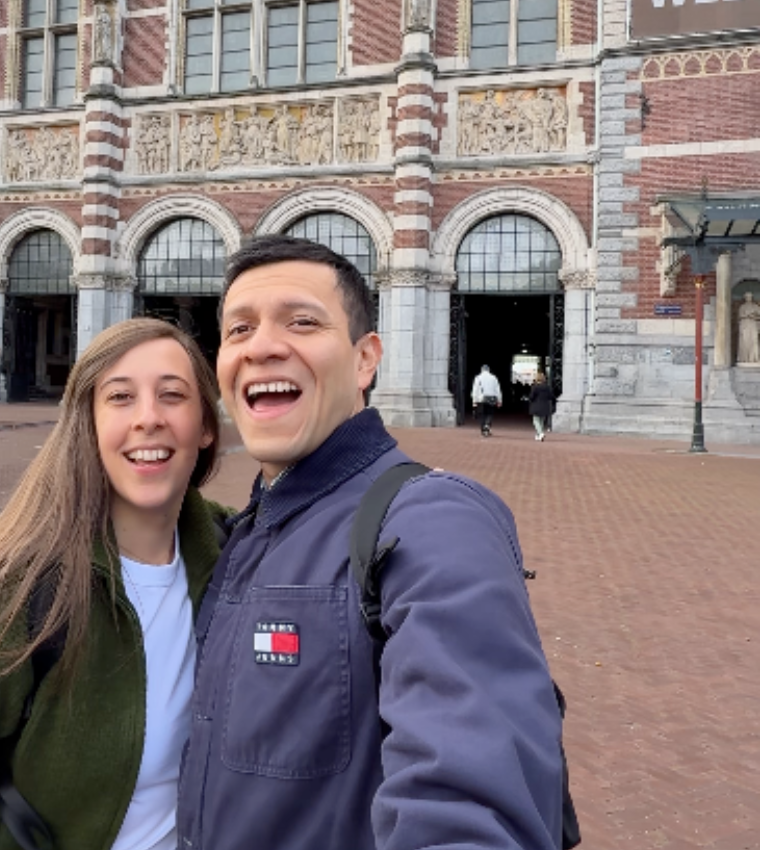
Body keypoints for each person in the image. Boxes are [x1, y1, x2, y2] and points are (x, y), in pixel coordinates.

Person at [178, 235, 563, 850]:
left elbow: (469, 804)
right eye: (239, 329)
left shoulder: (432, 518)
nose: (264, 346)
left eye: (302, 322)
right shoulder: (241, 534)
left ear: (365, 359)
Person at [0, 318, 224, 850]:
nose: (149, 418)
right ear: (89, 424)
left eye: (173, 396)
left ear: (207, 425)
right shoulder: (14, 588)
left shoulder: (234, 552)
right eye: (120, 398)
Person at [472, 362, 503, 437]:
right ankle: (487, 425)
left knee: (482, 414)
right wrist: (499, 400)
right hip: (492, 398)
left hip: (481, 398)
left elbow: (475, 389)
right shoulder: (493, 377)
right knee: (490, 414)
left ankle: (483, 430)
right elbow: (497, 390)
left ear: (482, 370)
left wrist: (474, 400)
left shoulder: (478, 377)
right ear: (489, 370)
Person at [528, 371, 555, 442]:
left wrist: (530, 400)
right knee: (541, 421)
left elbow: (531, 397)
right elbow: (551, 396)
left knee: (535, 421)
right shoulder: (547, 387)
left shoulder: (535, 387)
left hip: (536, 405)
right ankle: (538, 435)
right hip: (545, 406)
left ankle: (540, 433)